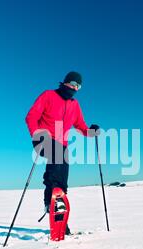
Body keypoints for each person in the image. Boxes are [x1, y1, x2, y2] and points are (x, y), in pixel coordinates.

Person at [25, 71, 100, 235]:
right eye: (73, 83)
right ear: (65, 82)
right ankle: (49, 202)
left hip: (62, 144)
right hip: (43, 138)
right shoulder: (48, 95)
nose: (75, 87)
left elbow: (81, 126)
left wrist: (91, 132)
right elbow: (31, 117)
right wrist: (37, 134)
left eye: (78, 86)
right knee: (56, 160)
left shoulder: (75, 105)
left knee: (63, 176)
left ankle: (58, 208)